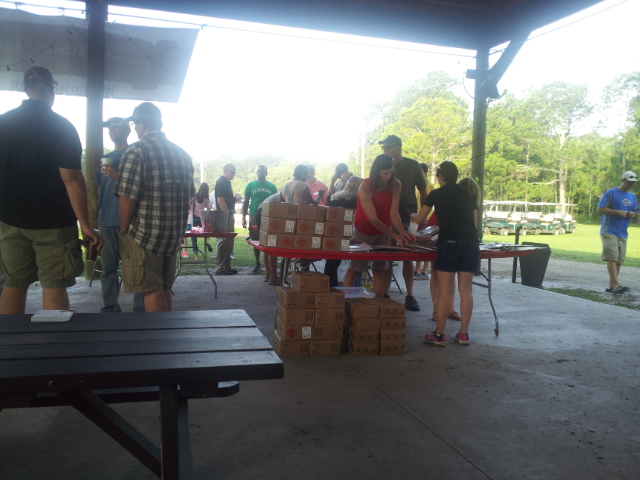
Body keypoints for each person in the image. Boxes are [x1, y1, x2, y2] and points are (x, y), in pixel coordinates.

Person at [0, 67, 103, 314]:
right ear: (51, 89)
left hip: (10, 220)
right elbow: (72, 180)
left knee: (13, 283)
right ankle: (55, 346)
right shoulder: (61, 126)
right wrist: (85, 225)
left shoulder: (3, 123)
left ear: (26, 88)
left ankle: (8, 347)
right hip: (53, 222)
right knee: (54, 285)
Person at [115, 102, 195, 312]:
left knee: (151, 289)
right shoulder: (183, 155)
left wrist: (123, 230)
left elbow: (126, 198)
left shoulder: (136, 151)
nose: (134, 127)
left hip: (144, 235)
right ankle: (167, 337)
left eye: (134, 123)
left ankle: (158, 339)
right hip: (173, 235)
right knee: (165, 287)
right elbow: (190, 194)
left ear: (140, 124)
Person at [412, 161, 479, 347]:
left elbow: (419, 219)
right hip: (471, 242)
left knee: (444, 291)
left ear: (440, 176)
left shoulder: (436, 194)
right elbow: (474, 223)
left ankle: (439, 335)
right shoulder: (468, 194)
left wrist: (412, 217)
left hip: (449, 242)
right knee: (466, 291)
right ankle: (464, 334)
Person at [343, 155, 415, 298]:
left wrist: (401, 232)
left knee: (379, 269)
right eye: (384, 173)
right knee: (355, 268)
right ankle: (345, 303)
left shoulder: (396, 184)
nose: (388, 176)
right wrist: (394, 235)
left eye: (390, 172)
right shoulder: (365, 187)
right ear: (376, 172)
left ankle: (378, 304)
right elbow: (373, 219)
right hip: (363, 230)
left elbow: (394, 212)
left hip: (384, 231)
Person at [94, 117, 144, 313]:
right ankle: (110, 308)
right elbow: (99, 191)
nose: (112, 131)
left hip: (133, 221)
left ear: (127, 130)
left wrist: (119, 174)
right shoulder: (104, 159)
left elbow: (142, 185)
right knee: (107, 269)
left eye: (116, 127)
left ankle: (139, 311)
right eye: (109, 128)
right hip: (106, 221)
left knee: (136, 266)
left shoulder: (135, 155)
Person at [378, 135, 427, 311]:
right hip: (386, 219)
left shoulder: (413, 165)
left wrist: (423, 215)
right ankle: (384, 294)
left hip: (408, 219)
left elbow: (423, 190)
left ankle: (410, 295)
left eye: (387, 147)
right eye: (383, 148)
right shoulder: (383, 165)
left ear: (398, 147)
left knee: (408, 258)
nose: (384, 150)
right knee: (386, 258)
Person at [597, 171, 638, 294]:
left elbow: (636, 211)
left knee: (619, 260)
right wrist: (617, 212)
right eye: (629, 181)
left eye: (633, 182)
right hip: (609, 230)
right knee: (612, 258)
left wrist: (634, 214)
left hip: (623, 232)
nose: (631, 184)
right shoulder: (611, 193)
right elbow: (600, 209)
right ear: (623, 180)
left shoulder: (632, 197)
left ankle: (612, 286)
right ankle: (616, 284)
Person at [324, 176, 363, 286]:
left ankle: (329, 283)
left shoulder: (334, 197)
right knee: (337, 261)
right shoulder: (356, 200)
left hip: (330, 230)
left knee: (331, 260)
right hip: (347, 231)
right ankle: (331, 285)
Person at [242, 165, 278, 272]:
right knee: (255, 239)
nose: (261, 173)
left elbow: (276, 202)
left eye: (263, 171)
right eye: (259, 171)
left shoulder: (272, 187)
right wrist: (243, 217)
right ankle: (257, 262)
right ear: (257, 173)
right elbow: (246, 201)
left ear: (267, 173)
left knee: (268, 239)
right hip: (254, 215)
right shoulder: (250, 185)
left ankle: (268, 264)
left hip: (268, 216)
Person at [214, 163, 238, 275]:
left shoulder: (227, 183)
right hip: (224, 216)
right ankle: (220, 267)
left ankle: (226, 266)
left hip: (227, 215)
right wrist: (227, 214)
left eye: (234, 172)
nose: (233, 174)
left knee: (229, 242)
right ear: (225, 171)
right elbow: (220, 200)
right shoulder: (221, 182)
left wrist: (234, 199)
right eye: (231, 172)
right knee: (223, 241)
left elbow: (226, 199)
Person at [255, 192, 283, 285]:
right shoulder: (289, 194)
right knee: (272, 244)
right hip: (266, 210)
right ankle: (273, 276)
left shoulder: (284, 191)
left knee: (267, 245)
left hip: (260, 210)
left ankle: (268, 274)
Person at [414, 162, 435, 280]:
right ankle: (416, 269)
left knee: (426, 246)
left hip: (425, 218)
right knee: (417, 245)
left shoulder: (429, 186)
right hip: (416, 218)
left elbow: (430, 206)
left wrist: (425, 218)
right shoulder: (416, 186)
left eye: (420, 172)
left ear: (425, 172)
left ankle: (425, 271)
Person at [189, 182, 214, 262]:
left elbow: (189, 205)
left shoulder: (194, 197)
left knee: (193, 237)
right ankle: (207, 241)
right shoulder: (206, 199)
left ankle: (196, 257)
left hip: (193, 218)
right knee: (206, 232)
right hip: (202, 218)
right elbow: (209, 209)